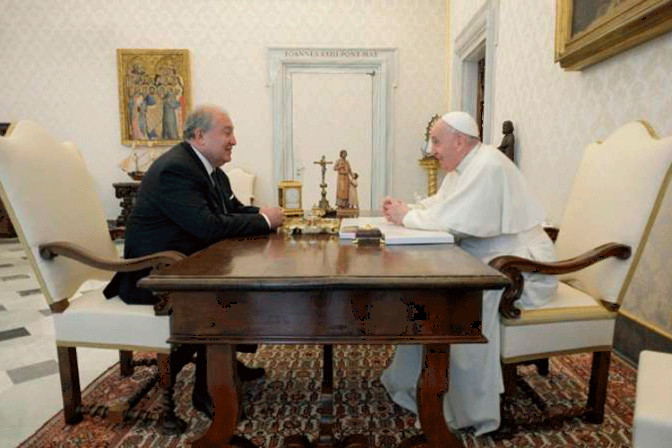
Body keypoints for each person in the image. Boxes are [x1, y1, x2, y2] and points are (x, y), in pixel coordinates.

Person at [380, 111, 558, 435]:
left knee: (456, 299)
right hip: (491, 259)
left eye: (436, 141)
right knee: (428, 290)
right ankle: (419, 382)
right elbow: (442, 206)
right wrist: (408, 209)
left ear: (459, 141)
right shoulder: (463, 167)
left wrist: (406, 216)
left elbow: (453, 222)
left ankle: (464, 406)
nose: (431, 149)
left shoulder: (487, 165)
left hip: (521, 269)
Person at [104, 104, 285, 419]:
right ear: (200, 136)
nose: (234, 140)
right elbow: (208, 227)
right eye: (227, 132)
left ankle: (224, 360)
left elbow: (232, 211)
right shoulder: (176, 170)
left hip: (185, 266)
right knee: (223, 290)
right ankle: (211, 388)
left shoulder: (213, 172)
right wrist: (264, 222)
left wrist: (264, 215)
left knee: (244, 276)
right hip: (154, 276)